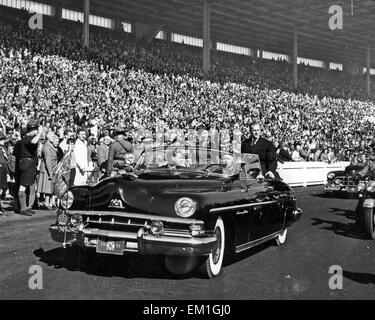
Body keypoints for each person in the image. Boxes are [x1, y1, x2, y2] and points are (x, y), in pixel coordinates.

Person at [16, 120, 44, 216]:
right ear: (33, 129)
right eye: (36, 129)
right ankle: (23, 209)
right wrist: (40, 132)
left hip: (28, 163)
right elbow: (34, 141)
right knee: (23, 185)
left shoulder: (27, 137)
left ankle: (26, 207)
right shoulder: (28, 137)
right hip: (27, 162)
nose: (37, 131)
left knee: (28, 185)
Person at [37, 132, 59, 210]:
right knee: (47, 188)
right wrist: (50, 172)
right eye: (52, 136)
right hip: (47, 170)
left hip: (52, 169)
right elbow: (48, 161)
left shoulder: (50, 145)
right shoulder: (47, 147)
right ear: (48, 137)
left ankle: (48, 203)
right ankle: (46, 203)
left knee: (49, 188)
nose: (54, 137)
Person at [0, 132, 9, 216]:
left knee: (4, 188)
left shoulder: (4, 148)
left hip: (4, 169)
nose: (3, 141)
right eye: (1, 139)